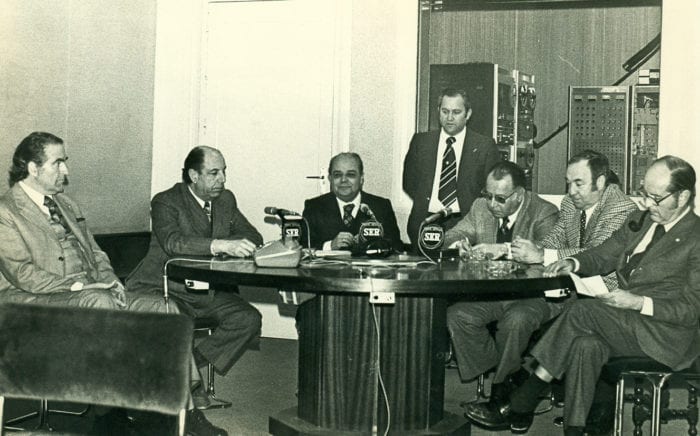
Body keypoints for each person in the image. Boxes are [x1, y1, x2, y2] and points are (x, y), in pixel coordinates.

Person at [0, 132, 227, 436]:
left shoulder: (66, 204)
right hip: (32, 302)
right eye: (58, 163)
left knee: (166, 309)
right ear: (33, 168)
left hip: (90, 293)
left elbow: (96, 253)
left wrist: (109, 280)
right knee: (100, 302)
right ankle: (113, 414)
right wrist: (81, 288)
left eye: (65, 161)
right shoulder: (6, 211)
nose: (66, 170)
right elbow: (22, 273)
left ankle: (183, 413)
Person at [466, 155, 700, 436]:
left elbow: (692, 309)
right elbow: (604, 254)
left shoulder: (696, 237)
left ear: (683, 196)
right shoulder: (641, 220)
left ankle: (523, 398)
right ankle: (576, 429)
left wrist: (640, 302)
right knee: (584, 345)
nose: (647, 204)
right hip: (625, 323)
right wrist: (573, 263)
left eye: (656, 198)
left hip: (665, 334)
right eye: (644, 194)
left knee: (582, 311)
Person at [127, 145, 263, 414]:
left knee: (248, 319)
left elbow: (253, 237)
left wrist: (230, 244)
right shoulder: (166, 201)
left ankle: (189, 371)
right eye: (214, 173)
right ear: (193, 175)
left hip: (205, 290)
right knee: (177, 320)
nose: (222, 179)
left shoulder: (225, 200)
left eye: (223, 171)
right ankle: (190, 383)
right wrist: (220, 245)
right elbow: (173, 242)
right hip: (163, 287)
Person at [444, 161, 558, 409]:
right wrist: (458, 245)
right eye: (488, 195)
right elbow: (452, 234)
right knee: (457, 316)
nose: (492, 204)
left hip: (534, 296)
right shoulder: (480, 207)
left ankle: (500, 390)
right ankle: (512, 374)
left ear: (519, 195)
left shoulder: (544, 212)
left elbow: (548, 253)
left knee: (515, 321)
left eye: (500, 199)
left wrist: (504, 249)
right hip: (494, 295)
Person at [511, 150, 638, 290]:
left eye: (579, 184)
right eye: (568, 183)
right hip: (573, 283)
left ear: (600, 182)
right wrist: (529, 249)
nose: (571, 191)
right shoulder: (570, 203)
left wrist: (542, 255)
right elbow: (555, 239)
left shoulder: (621, 208)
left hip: (606, 291)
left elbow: (595, 254)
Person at [403, 87, 501, 246]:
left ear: (467, 114)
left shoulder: (484, 146)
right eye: (445, 111)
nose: (449, 118)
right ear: (438, 111)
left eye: (456, 112)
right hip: (425, 222)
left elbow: (490, 190)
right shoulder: (421, 141)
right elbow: (409, 182)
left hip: (465, 223)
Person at [302, 152, 403, 253]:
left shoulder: (381, 207)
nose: (343, 180)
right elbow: (303, 247)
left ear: (361, 178)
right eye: (337, 175)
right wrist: (329, 246)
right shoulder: (314, 207)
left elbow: (396, 246)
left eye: (351, 175)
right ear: (330, 179)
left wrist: (373, 247)